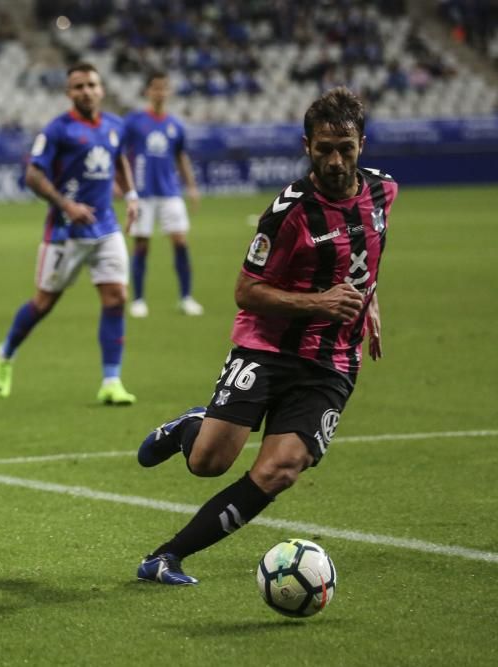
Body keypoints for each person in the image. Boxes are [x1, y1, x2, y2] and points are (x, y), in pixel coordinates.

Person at [134, 87, 396, 585]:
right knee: (209, 462)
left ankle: (165, 557)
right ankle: (190, 426)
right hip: (268, 346)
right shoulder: (288, 212)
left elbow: (367, 251)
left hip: (333, 360)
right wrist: (322, 303)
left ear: (362, 142)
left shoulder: (384, 191)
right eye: (324, 149)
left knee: (281, 468)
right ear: (307, 146)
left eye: (346, 147)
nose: (336, 161)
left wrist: (371, 301)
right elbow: (246, 291)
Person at [0, 62, 141, 405]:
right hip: (65, 232)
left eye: (91, 84)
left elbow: (119, 161)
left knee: (116, 297)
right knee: (43, 303)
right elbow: (32, 176)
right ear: (68, 93)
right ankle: (6, 352)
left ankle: (111, 381)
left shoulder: (115, 125)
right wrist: (65, 204)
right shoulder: (57, 130)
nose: (86, 91)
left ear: (101, 89)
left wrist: (130, 194)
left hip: (106, 228)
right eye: (78, 87)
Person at [121, 71, 203, 318]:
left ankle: (186, 298)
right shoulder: (134, 122)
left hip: (170, 192)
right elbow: (121, 153)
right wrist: (124, 185)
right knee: (142, 246)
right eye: (155, 88)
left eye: (163, 88)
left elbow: (180, 156)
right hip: (143, 193)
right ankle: (138, 300)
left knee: (180, 242)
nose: (160, 93)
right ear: (147, 91)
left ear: (169, 92)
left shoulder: (175, 125)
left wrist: (191, 186)